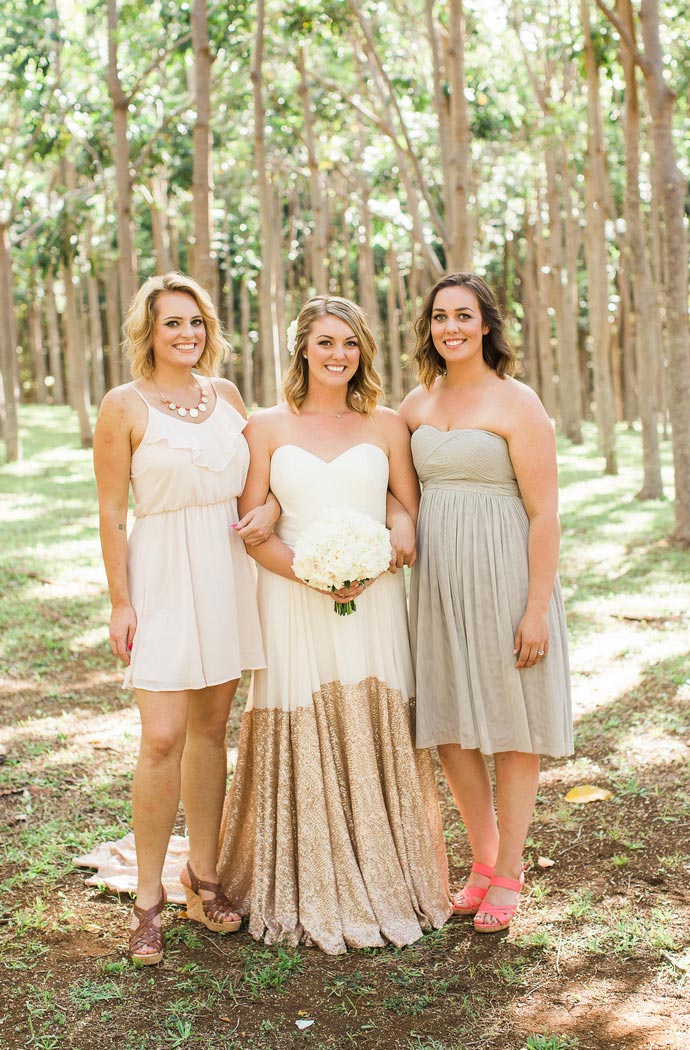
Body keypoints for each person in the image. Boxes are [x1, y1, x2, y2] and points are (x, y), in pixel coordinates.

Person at [217, 295, 452, 955]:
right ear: (302, 350)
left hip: (373, 597)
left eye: (349, 343)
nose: (338, 355)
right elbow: (252, 530)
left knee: (375, 709)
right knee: (303, 710)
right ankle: (307, 880)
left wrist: (392, 531)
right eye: (324, 343)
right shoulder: (264, 426)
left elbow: (406, 505)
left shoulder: (385, 425)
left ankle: (386, 874)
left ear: (363, 351)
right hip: (293, 597)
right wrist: (314, 575)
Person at [93, 273, 276, 965]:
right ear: (149, 331)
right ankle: (149, 900)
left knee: (210, 729)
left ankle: (204, 876)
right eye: (172, 323)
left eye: (195, 323)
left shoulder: (226, 396)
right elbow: (112, 512)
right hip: (162, 571)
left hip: (228, 571)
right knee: (162, 736)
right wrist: (120, 599)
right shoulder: (124, 405)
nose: (187, 335)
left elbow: (264, 477)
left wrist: (272, 514)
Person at [400, 272, 572, 934]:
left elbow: (544, 511)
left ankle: (512, 872)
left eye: (464, 316)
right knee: (448, 727)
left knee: (511, 725)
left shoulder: (516, 402)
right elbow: (393, 486)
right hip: (440, 584)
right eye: (440, 316)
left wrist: (534, 607)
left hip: (505, 577)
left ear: (486, 326)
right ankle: (482, 859)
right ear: (430, 327)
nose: (451, 327)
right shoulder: (415, 404)